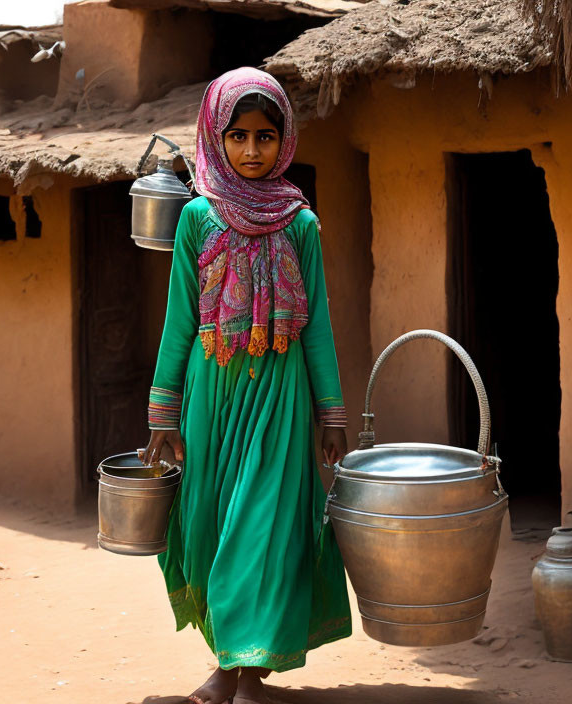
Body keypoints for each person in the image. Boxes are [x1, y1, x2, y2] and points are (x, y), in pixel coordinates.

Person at [142, 67, 351, 704]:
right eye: (238, 136)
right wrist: (162, 412)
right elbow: (180, 322)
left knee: (261, 528)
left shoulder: (300, 225)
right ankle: (231, 660)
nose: (253, 150)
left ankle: (243, 672)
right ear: (216, 136)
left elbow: (316, 325)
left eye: (266, 136)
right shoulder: (196, 220)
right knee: (209, 524)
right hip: (213, 396)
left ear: (284, 140)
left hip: (281, 399)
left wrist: (332, 414)